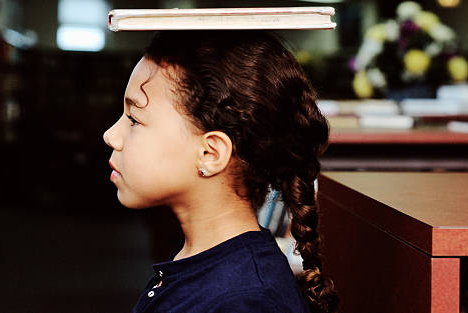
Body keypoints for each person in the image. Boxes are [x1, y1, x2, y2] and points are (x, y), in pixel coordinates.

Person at [103, 30, 338, 313]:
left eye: (134, 119)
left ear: (210, 153)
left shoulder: (245, 302)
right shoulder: (201, 261)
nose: (111, 135)